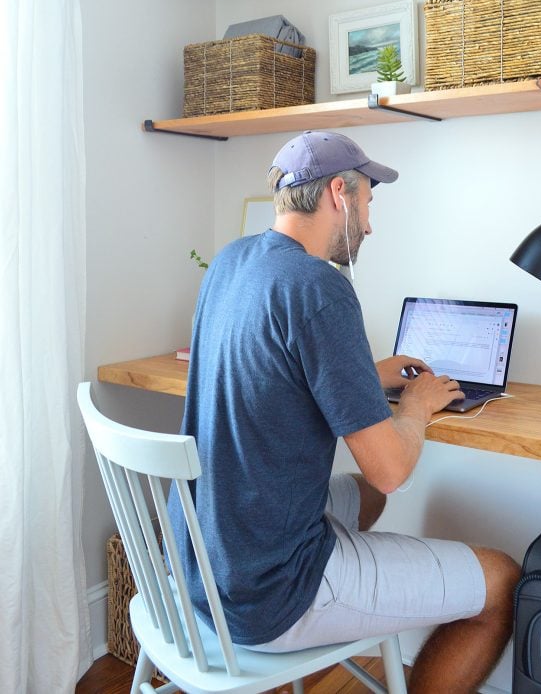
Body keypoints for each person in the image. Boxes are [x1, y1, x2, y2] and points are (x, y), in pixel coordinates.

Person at [169, 130, 520, 694]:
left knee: (365, 495)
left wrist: (364, 374)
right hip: (269, 590)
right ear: (339, 192)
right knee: (502, 581)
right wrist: (417, 405)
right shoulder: (320, 287)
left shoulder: (233, 262)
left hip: (204, 560)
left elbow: (271, 368)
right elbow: (393, 470)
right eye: (369, 203)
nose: (371, 224)